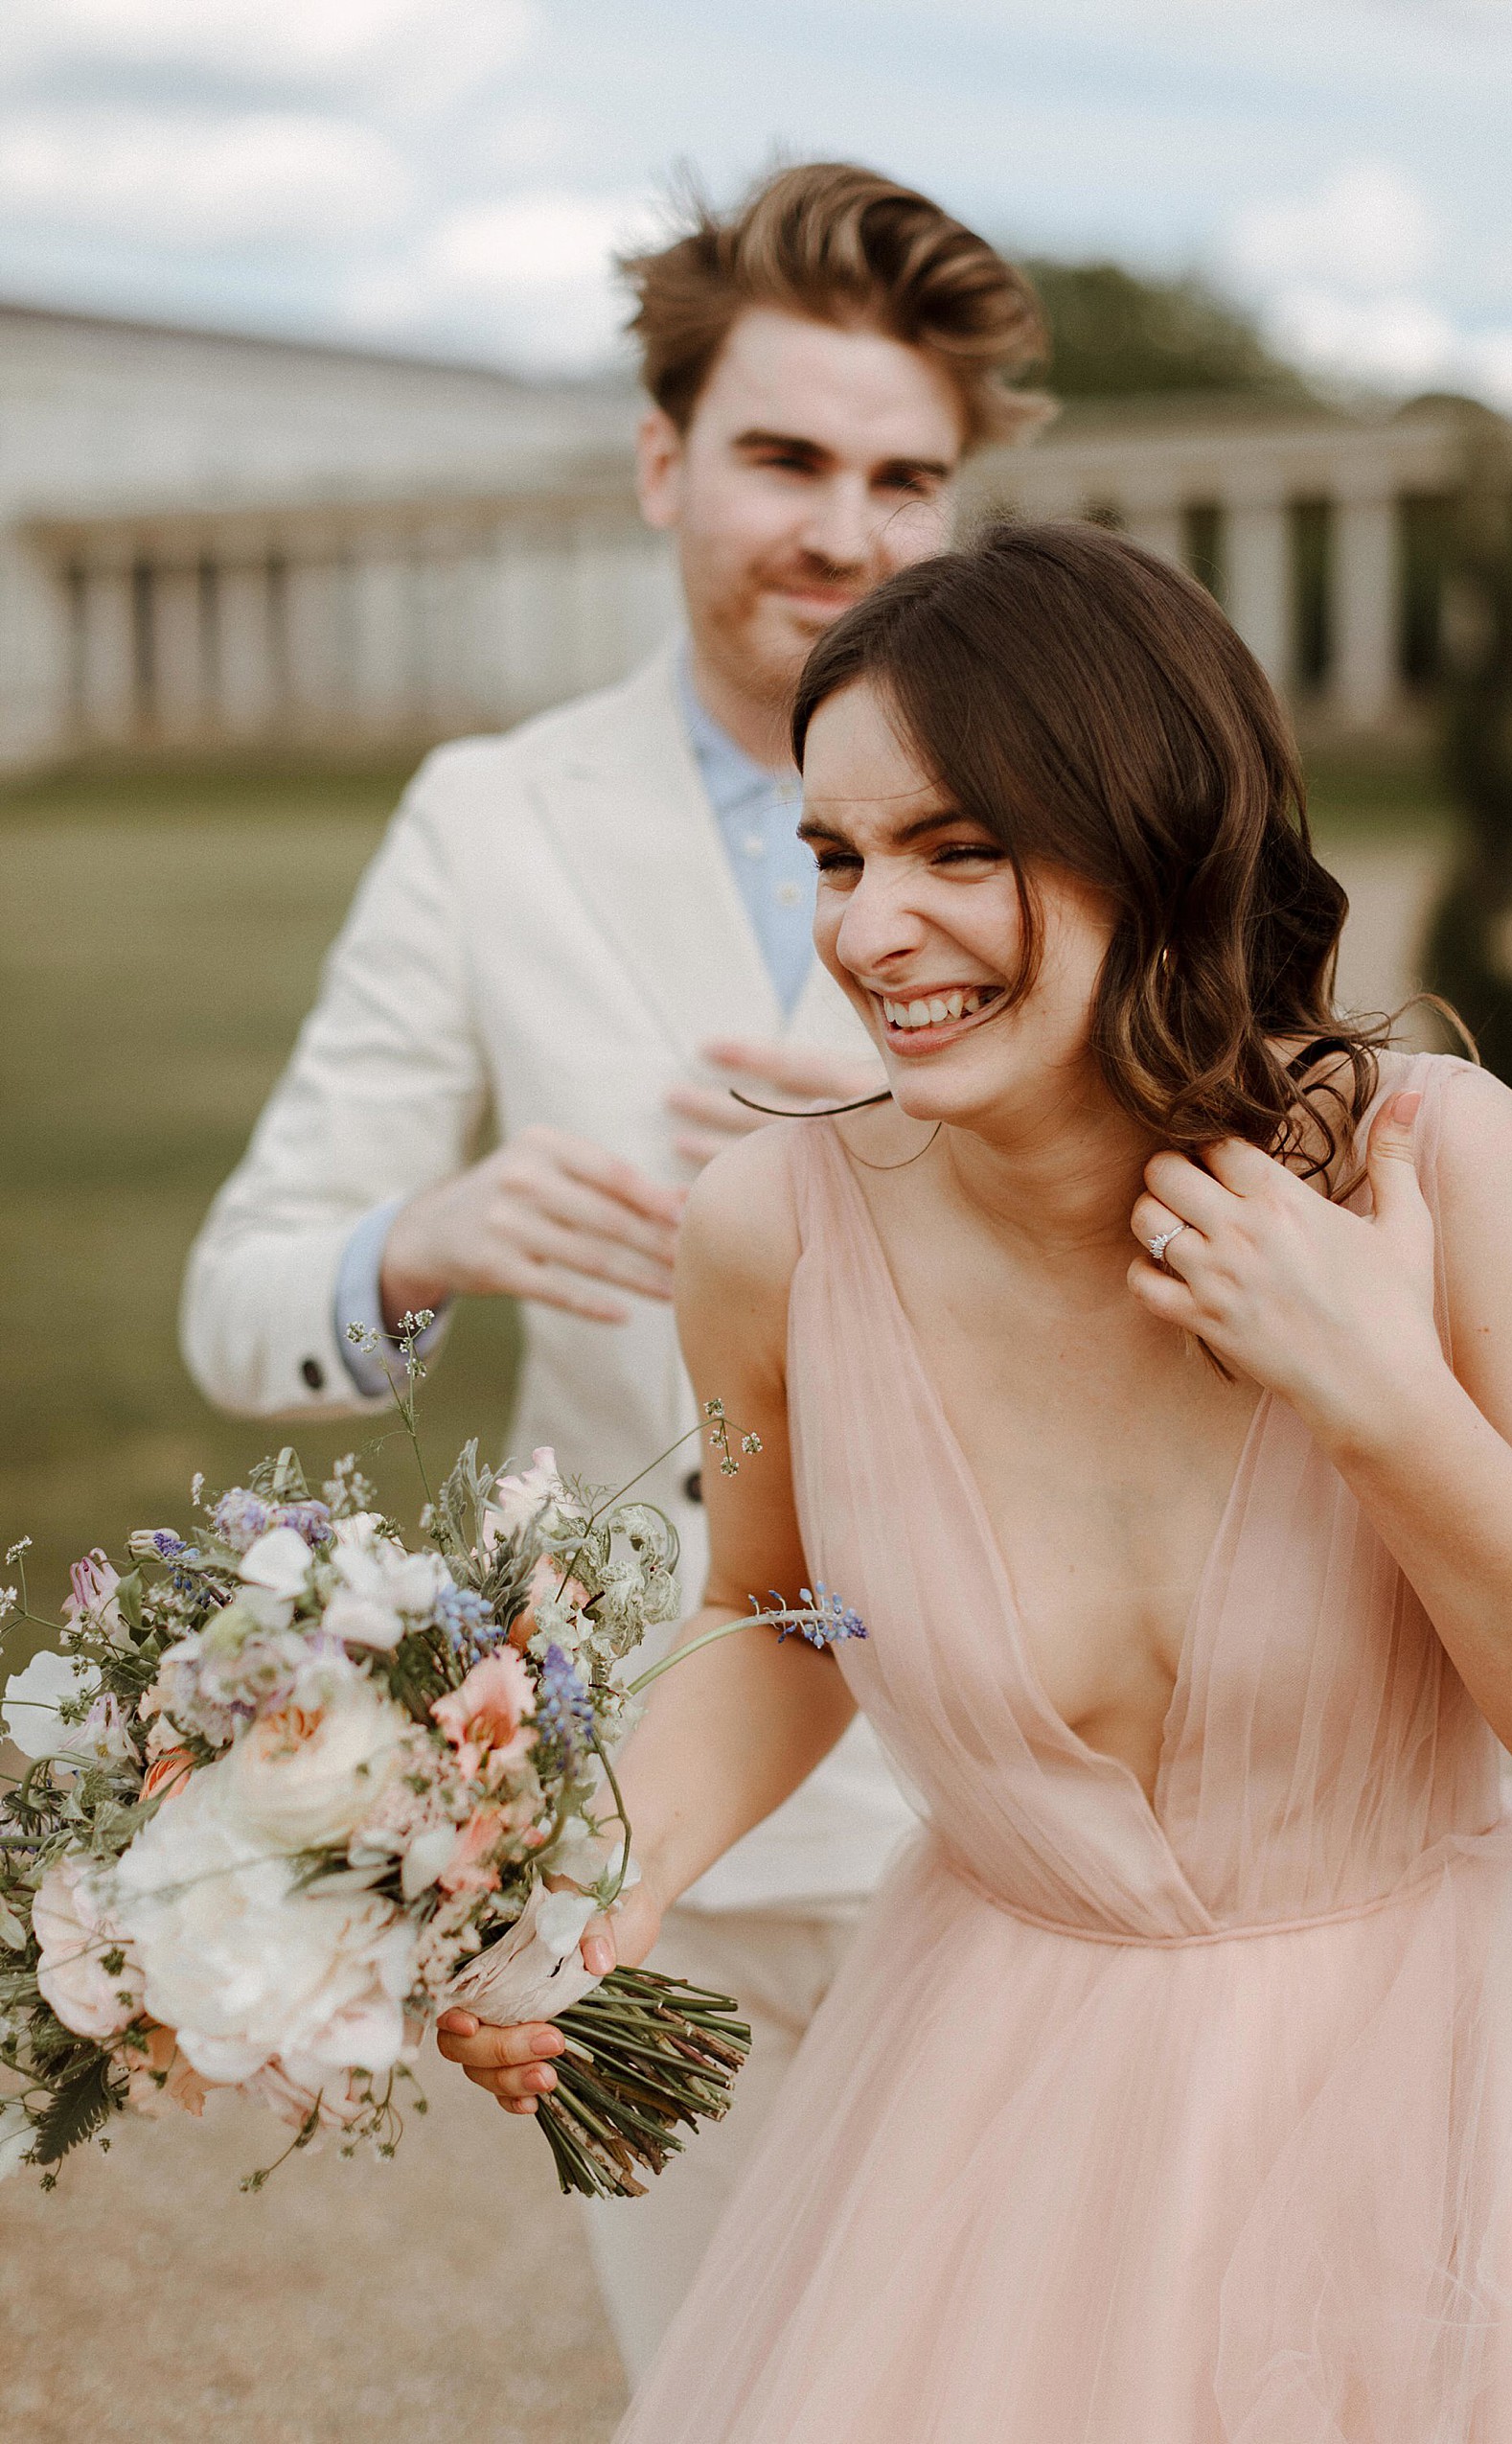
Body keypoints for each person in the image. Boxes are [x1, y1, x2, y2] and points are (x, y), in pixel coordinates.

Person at [441, 519, 1512, 2440]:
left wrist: (1381, 1399)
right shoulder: (765, 1232)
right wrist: (611, 1871)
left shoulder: (1437, 1170)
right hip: (1003, 2127)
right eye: (834, 855)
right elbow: (780, 1608)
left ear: (1151, 833)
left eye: (952, 847)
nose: (863, 929)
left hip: (1452, 2113)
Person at [179, 163, 1049, 2376]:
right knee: (741, 2387)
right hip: (677, 1811)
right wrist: (428, 1239)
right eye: (784, 457)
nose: (842, 531)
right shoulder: (488, 814)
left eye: (901, 476)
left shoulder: (1078, 802)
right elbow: (242, 1287)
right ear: (664, 458)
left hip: (1049, 1774)